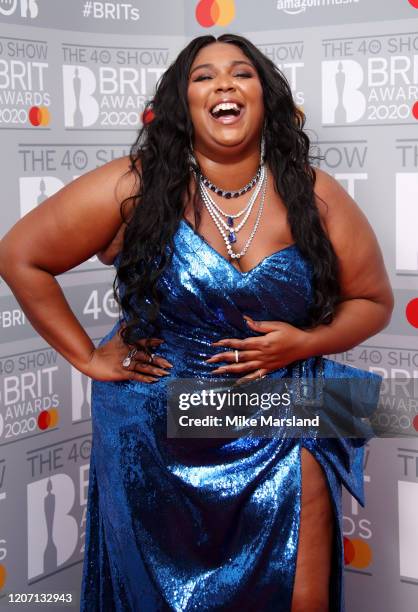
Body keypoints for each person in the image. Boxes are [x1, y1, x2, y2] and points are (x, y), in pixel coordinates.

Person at [0, 34, 393, 612]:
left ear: (267, 98)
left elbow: (374, 300)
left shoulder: (313, 193)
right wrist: (87, 357)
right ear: (182, 103)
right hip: (155, 432)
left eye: (242, 73)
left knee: (299, 595)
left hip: (284, 411)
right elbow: (20, 255)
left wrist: (305, 343)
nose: (224, 84)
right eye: (203, 77)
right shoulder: (137, 185)